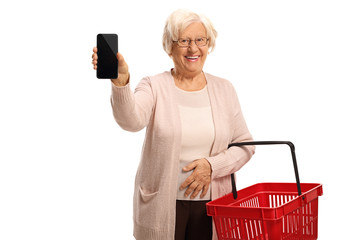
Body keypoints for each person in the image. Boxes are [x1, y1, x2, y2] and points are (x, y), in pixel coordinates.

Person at [92, 9, 255, 240]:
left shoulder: (224, 89)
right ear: (169, 46)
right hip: (162, 206)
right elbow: (131, 121)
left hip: (214, 205)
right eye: (184, 41)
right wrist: (121, 83)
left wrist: (212, 166)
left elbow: (245, 145)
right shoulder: (153, 85)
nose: (193, 48)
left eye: (200, 40)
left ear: (209, 44)